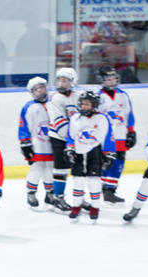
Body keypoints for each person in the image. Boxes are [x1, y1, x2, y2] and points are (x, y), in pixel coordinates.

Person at [64, 90, 116, 221]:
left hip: (95, 153)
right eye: (82, 104)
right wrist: (69, 149)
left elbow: (108, 138)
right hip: (79, 154)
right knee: (78, 181)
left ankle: (95, 208)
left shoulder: (102, 118)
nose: (84, 107)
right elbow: (71, 136)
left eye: (87, 104)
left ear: (94, 105)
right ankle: (76, 206)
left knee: (94, 182)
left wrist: (109, 155)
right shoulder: (75, 118)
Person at [97, 66, 136, 204]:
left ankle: (110, 190)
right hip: (105, 138)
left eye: (113, 78)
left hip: (121, 135)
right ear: (102, 80)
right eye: (108, 79)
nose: (112, 82)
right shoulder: (98, 97)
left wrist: (131, 131)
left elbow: (129, 114)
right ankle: (103, 189)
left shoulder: (123, 95)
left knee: (119, 163)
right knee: (106, 163)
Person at [47, 67, 79, 213]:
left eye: (64, 80)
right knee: (61, 168)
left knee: (79, 168)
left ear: (72, 82)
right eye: (59, 79)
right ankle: (57, 197)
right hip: (59, 138)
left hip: (75, 139)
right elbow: (59, 123)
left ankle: (79, 197)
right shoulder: (55, 98)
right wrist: (73, 138)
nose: (61, 83)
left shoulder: (77, 96)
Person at [19, 77, 55, 211]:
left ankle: (50, 193)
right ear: (32, 92)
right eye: (36, 89)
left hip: (52, 145)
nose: (39, 91)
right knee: (36, 168)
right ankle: (31, 193)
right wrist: (25, 144)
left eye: (41, 87)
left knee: (51, 169)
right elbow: (23, 127)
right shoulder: (29, 107)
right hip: (37, 145)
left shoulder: (54, 103)